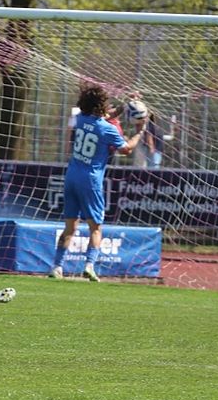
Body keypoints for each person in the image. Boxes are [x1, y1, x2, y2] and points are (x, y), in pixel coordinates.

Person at [49, 86, 146, 282]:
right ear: (101, 106)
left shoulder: (80, 119)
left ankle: (57, 267)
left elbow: (106, 115)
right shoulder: (107, 128)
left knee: (70, 227)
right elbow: (126, 149)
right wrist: (139, 132)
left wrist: (124, 105)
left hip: (71, 177)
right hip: (90, 180)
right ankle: (89, 266)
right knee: (95, 227)